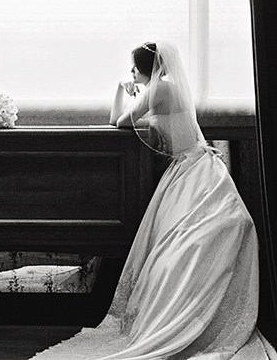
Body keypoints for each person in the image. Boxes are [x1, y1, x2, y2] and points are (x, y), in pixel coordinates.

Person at [29, 41, 276, 359]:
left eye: (134, 67)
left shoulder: (158, 89)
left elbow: (119, 122)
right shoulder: (163, 89)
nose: (131, 72)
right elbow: (125, 119)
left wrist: (122, 90)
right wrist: (125, 90)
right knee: (181, 240)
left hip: (191, 169)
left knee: (184, 241)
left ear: (146, 69)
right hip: (194, 165)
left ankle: (192, 312)